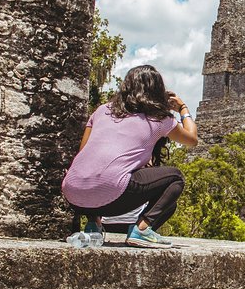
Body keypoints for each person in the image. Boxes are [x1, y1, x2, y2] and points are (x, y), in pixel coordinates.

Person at [62, 65, 198, 248]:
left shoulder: (102, 110)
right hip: (111, 195)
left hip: (73, 194)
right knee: (175, 177)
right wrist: (182, 108)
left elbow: (83, 154)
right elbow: (192, 139)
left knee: (96, 172)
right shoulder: (159, 119)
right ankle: (141, 231)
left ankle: (93, 225)